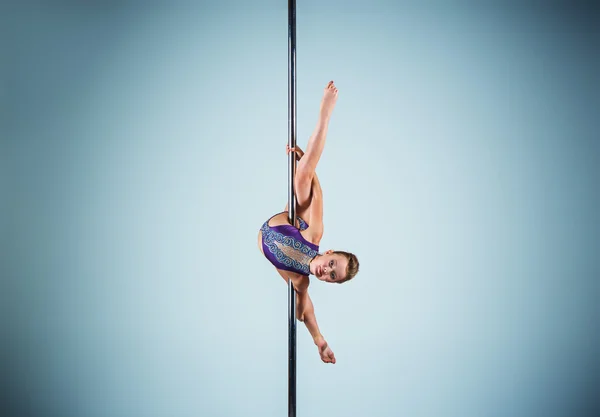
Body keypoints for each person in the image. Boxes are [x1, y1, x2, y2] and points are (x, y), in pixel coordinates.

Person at [257, 81, 360, 364]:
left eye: (331, 275)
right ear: (329, 253)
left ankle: (302, 169)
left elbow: (307, 314)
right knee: (304, 180)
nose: (326, 271)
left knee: (300, 308)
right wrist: (302, 162)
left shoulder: (302, 282)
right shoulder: (315, 233)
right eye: (331, 264)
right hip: (289, 222)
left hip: (276, 244)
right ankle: (325, 114)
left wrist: (320, 342)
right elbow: (318, 192)